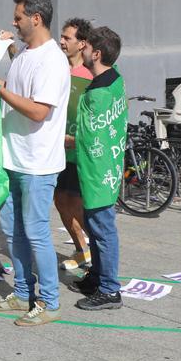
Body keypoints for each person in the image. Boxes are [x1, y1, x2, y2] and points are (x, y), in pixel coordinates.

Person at [0, 0, 70, 326]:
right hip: (14, 158)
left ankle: (51, 302)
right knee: (13, 231)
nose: (13, 23)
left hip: (38, 164)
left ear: (36, 18)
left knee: (36, 231)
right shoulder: (27, 52)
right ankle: (23, 292)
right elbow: (20, 76)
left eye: (18, 18)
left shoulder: (53, 61)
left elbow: (39, 111)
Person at [68, 26, 128, 311]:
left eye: (87, 46)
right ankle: (97, 277)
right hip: (110, 165)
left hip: (97, 171)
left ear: (97, 53)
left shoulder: (97, 93)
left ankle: (110, 290)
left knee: (103, 230)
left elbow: (84, 138)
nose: (83, 49)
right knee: (95, 226)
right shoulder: (115, 78)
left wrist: (54, 138)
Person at [56, 18, 94, 270]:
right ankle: (81, 249)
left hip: (79, 152)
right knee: (60, 201)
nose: (62, 41)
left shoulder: (90, 75)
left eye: (67, 38)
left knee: (78, 205)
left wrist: (78, 140)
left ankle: (93, 250)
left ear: (81, 44)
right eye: (62, 36)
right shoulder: (57, 68)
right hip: (57, 151)